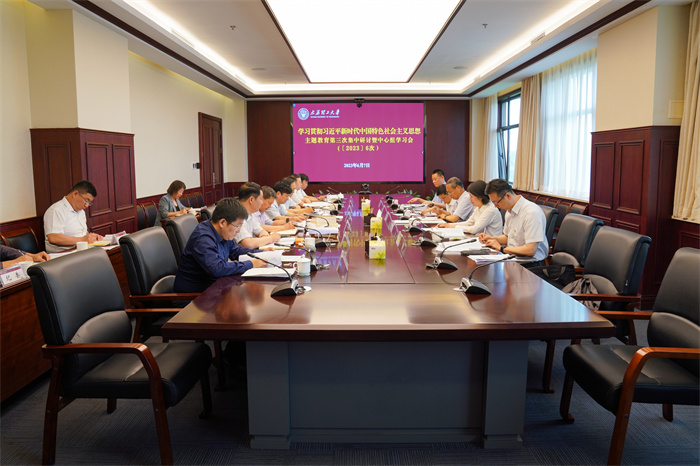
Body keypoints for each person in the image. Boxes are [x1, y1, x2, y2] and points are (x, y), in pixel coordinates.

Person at [173, 198, 267, 293]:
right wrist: (251, 264)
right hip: (194, 296)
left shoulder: (222, 232)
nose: (238, 231)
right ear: (222, 223)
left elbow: (234, 251)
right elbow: (217, 269)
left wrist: (261, 253)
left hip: (214, 288)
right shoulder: (203, 238)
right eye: (237, 226)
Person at [479, 178, 549, 265]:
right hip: (511, 258)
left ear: (508, 196)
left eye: (496, 202)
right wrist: (491, 239)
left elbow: (530, 250)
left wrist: (501, 249)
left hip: (530, 264)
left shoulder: (531, 212)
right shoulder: (509, 211)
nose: (496, 206)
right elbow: (508, 237)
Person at [43, 180, 104, 253]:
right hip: (63, 254)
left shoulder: (81, 211)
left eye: (89, 202)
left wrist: (91, 237)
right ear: (75, 194)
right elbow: (53, 238)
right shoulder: (56, 210)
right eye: (86, 200)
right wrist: (82, 240)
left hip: (81, 250)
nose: (87, 205)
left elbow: (82, 233)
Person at [438, 180, 502, 236]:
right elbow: (468, 223)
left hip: (491, 244)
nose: (470, 199)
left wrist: (453, 227)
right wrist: (449, 225)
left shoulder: (490, 210)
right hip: (481, 240)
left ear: (480, 197)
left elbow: (474, 229)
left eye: (471, 196)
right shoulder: (478, 208)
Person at [235, 183, 281, 248]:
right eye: (260, 199)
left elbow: (261, 231)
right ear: (251, 200)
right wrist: (271, 238)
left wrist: (265, 239)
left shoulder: (250, 214)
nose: (261, 202)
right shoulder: (237, 215)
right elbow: (248, 244)